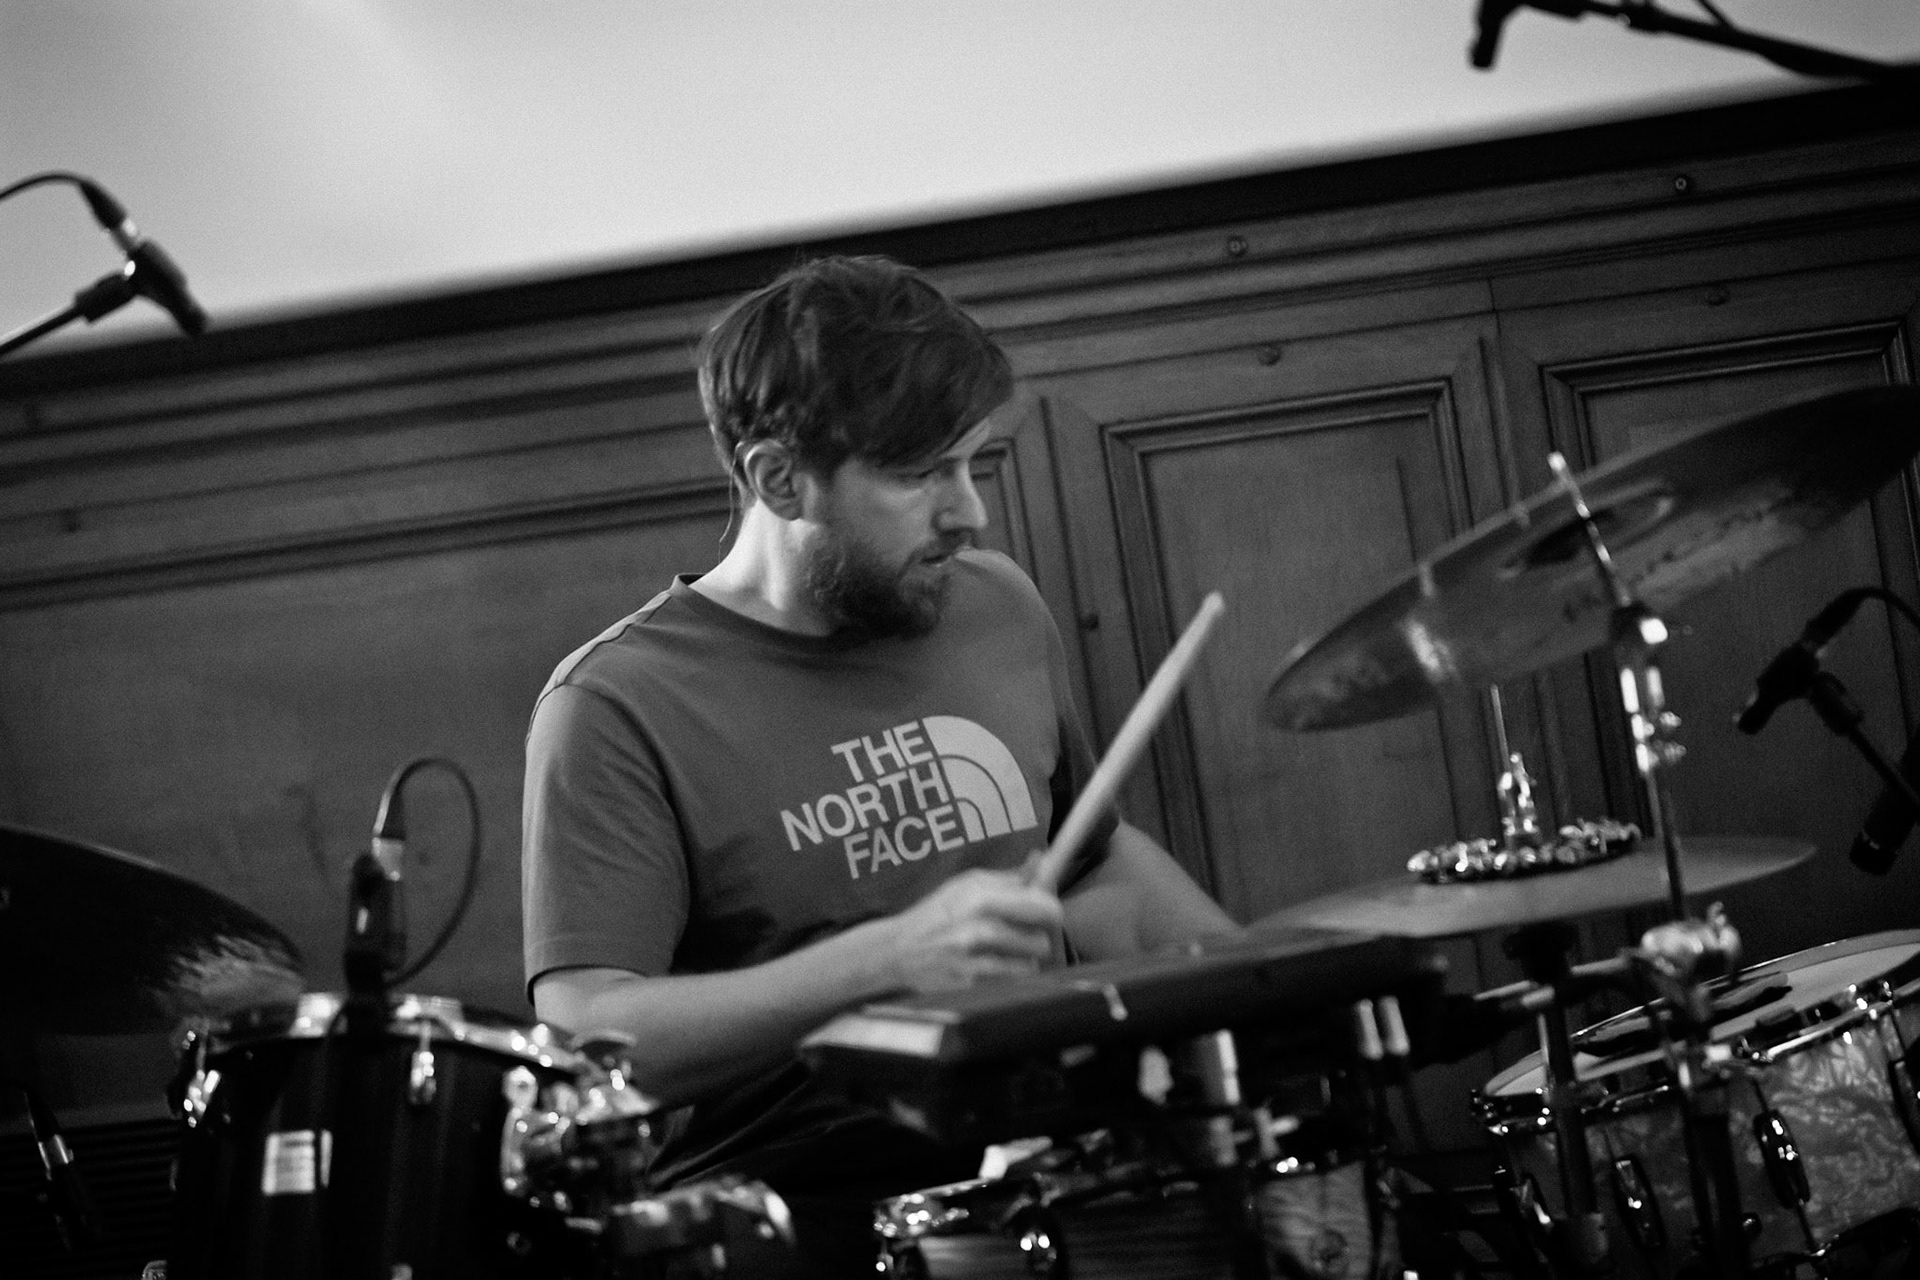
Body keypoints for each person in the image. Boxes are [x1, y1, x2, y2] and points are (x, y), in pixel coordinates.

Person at [521, 254, 1239, 1276]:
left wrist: (1278, 996)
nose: (970, 512)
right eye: (918, 476)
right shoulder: (614, 703)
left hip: (1055, 1149)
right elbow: (593, 1034)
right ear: (778, 478)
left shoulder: (996, 604)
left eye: (973, 463)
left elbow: (1094, 865)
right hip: (799, 1205)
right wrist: (888, 958)